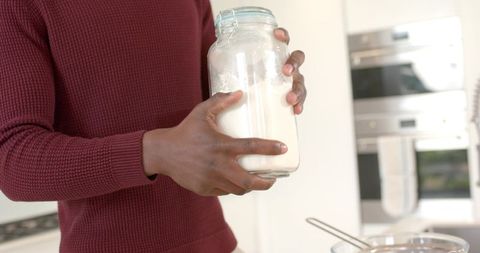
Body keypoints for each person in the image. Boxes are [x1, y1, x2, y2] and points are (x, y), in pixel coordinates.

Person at [0, 1, 306, 252]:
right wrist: (155, 152)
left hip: (219, 245)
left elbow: (213, 108)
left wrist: (266, 75)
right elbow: (13, 160)